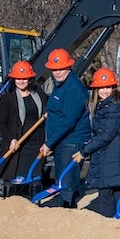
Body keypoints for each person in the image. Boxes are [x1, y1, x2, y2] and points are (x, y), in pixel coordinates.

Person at [75, 68, 120, 218]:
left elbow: (106, 135)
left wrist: (84, 152)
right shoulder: (103, 105)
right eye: (101, 87)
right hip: (108, 153)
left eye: (108, 87)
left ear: (114, 87)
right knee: (115, 189)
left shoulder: (113, 107)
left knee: (106, 190)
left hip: (113, 153)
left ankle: (107, 223)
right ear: (95, 89)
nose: (104, 91)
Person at [38, 48, 91, 208]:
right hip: (62, 141)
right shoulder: (60, 85)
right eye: (54, 70)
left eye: (61, 69)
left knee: (66, 183)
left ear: (69, 67)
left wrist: (49, 143)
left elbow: (68, 121)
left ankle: (67, 211)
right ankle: (65, 209)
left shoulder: (73, 88)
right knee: (62, 179)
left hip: (71, 141)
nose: (57, 72)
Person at [0, 60, 46, 196]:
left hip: (35, 143)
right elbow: (1, 123)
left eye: (24, 78)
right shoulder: (7, 98)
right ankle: (10, 207)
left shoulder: (39, 93)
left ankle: (35, 207)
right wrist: (11, 139)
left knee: (35, 176)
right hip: (16, 144)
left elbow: (46, 113)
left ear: (30, 79)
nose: (21, 81)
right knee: (13, 176)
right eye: (18, 78)